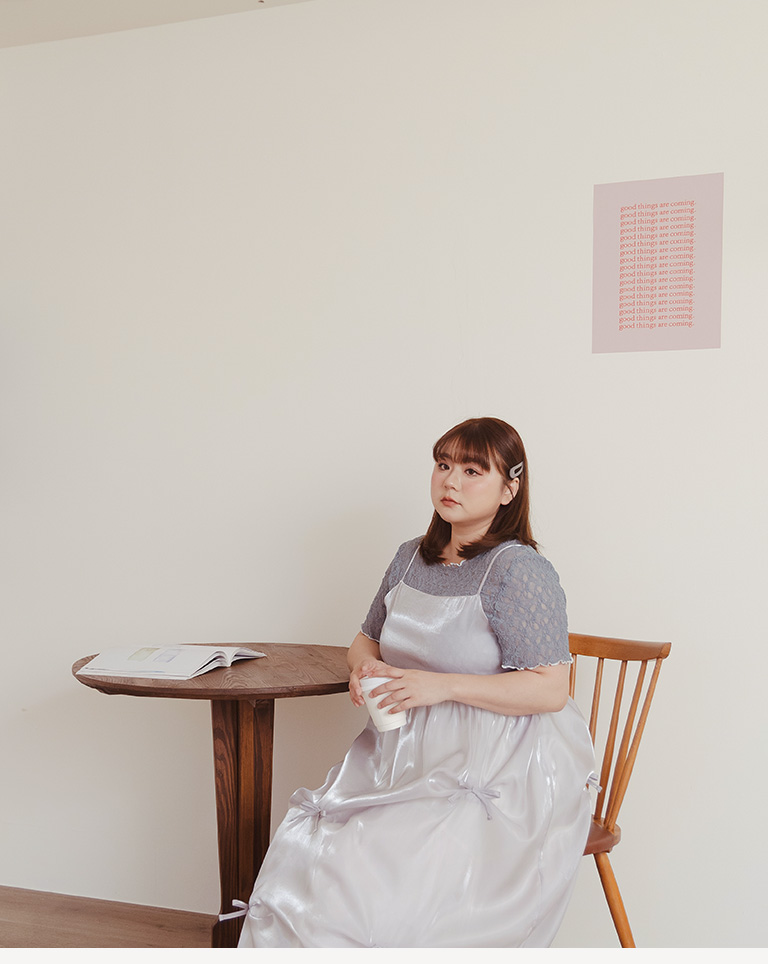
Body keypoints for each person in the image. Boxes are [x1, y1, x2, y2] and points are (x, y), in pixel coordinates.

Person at [234, 417, 596, 948]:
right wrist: (365, 669)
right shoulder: (410, 557)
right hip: (400, 747)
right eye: (443, 465)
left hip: (498, 759)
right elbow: (364, 641)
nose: (450, 481)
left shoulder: (519, 570)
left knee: (377, 862)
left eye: (472, 471)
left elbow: (549, 689)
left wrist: (440, 686)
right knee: (320, 853)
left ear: (509, 489)